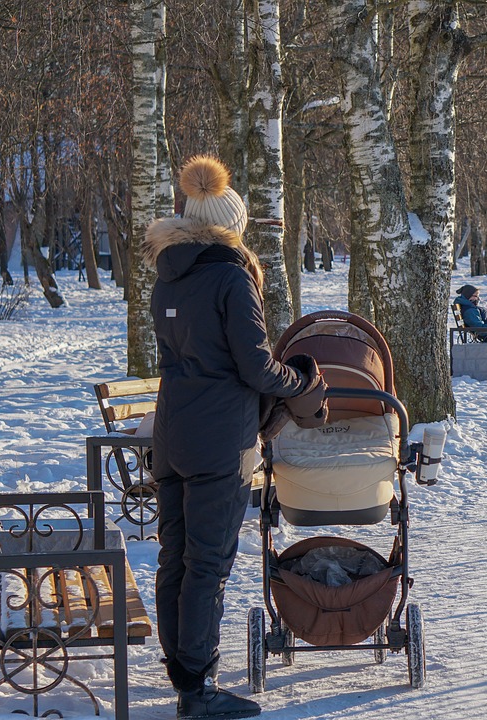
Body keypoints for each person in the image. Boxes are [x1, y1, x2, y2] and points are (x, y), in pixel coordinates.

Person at [143, 155, 327, 720]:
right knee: (208, 563)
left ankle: (183, 672)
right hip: (220, 437)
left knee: (175, 556)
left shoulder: (168, 274)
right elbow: (255, 366)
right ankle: (197, 689)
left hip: (172, 434)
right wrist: (301, 381)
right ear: (231, 226)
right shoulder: (230, 276)